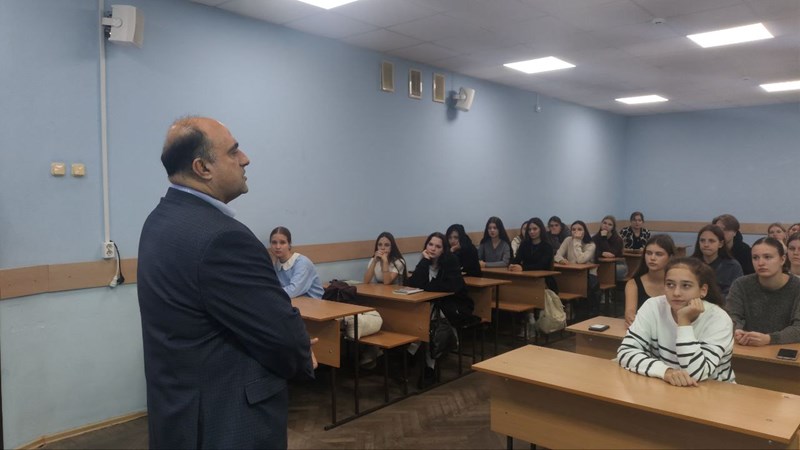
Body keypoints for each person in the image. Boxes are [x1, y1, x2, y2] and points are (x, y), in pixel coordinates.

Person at [137, 117, 316, 449]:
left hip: (179, 411)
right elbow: (282, 335)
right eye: (234, 151)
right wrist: (303, 356)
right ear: (203, 167)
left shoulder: (159, 220)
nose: (245, 159)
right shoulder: (224, 239)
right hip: (226, 419)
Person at [617, 257, 735, 386]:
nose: (676, 293)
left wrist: (684, 321)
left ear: (703, 290)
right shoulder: (653, 306)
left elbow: (696, 374)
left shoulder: (718, 319)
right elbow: (625, 352)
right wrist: (666, 371)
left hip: (713, 390)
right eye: (670, 285)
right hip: (667, 386)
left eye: (686, 286)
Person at [407, 232, 474, 384]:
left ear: (444, 250)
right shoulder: (425, 262)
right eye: (430, 244)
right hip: (431, 308)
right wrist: (424, 261)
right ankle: (423, 362)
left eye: (438, 246)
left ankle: (417, 356)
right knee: (424, 318)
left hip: (454, 308)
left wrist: (427, 286)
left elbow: (449, 286)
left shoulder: (451, 262)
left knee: (429, 322)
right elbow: (413, 284)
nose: (433, 249)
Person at [726, 237, 800, 346]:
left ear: (782, 259)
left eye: (767, 257)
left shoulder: (797, 287)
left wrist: (769, 339)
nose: (760, 263)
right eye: (755, 258)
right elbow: (731, 318)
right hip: (747, 346)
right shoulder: (741, 284)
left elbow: (798, 328)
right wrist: (736, 331)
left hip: (786, 348)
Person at [624, 234, 676, 327]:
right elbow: (630, 315)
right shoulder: (633, 284)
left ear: (670, 257)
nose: (652, 258)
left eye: (659, 254)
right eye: (648, 253)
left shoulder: (678, 284)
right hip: (644, 331)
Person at [555, 220, 599, 315]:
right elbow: (557, 255)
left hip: (588, 274)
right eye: (573, 229)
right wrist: (561, 260)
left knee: (587, 288)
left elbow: (580, 260)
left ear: (585, 231)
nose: (576, 232)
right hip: (571, 272)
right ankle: (567, 310)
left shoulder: (591, 245)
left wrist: (577, 241)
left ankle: (585, 312)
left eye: (579, 229)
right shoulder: (568, 240)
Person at [270, 226, 324, 299]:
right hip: (293, 300)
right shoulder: (277, 265)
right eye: (274, 242)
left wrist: (270, 293)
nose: (278, 246)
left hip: (314, 302)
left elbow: (293, 291)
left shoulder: (302, 263)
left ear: (289, 244)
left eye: (282, 242)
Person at [690, 224, 743, 297]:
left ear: (720, 244)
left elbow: (735, 293)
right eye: (702, 240)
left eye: (711, 241)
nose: (706, 244)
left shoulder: (733, 266)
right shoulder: (689, 265)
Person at [509, 217, 557, 289]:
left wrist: (522, 268)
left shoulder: (547, 246)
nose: (531, 232)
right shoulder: (524, 244)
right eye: (529, 230)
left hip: (544, 281)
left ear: (541, 229)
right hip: (526, 278)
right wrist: (512, 265)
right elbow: (517, 259)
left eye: (535, 229)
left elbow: (541, 265)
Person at [592, 215, 626, 279]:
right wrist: (601, 253)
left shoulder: (618, 239)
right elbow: (592, 252)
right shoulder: (595, 238)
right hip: (600, 264)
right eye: (604, 223)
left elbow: (610, 254)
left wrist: (604, 237)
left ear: (613, 228)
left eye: (610, 224)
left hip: (617, 264)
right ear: (601, 224)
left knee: (613, 271)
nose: (606, 226)